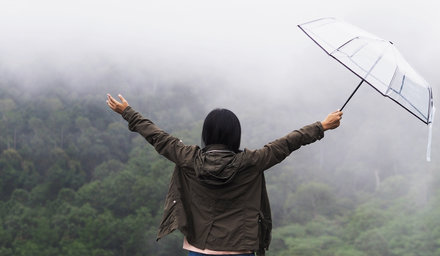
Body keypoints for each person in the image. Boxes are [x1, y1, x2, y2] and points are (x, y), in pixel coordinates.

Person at [106, 93, 342, 256]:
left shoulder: (188, 158)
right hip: (240, 249)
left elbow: (156, 136)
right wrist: (322, 125)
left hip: (199, 248)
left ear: (206, 134)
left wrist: (127, 111)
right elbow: (288, 143)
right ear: (235, 135)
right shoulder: (252, 162)